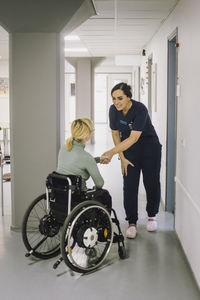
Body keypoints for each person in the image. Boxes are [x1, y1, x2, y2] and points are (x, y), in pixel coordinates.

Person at [101, 82, 162, 238]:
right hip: (129, 150)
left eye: (120, 98)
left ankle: (152, 216)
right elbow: (115, 134)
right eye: (114, 98)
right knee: (129, 185)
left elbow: (134, 137)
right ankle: (132, 222)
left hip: (150, 148)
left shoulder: (140, 109)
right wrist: (122, 157)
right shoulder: (113, 111)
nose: (116, 102)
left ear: (128, 97)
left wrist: (110, 152)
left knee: (151, 182)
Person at [57, 117, 111, 210]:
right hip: (77, 198)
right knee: (104, 194)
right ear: (87, 135)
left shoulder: (64, 147)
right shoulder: (86, 157)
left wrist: (98, 159)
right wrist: (94, 189)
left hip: (60, 193)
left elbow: (76, 162)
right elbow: (99, 183)